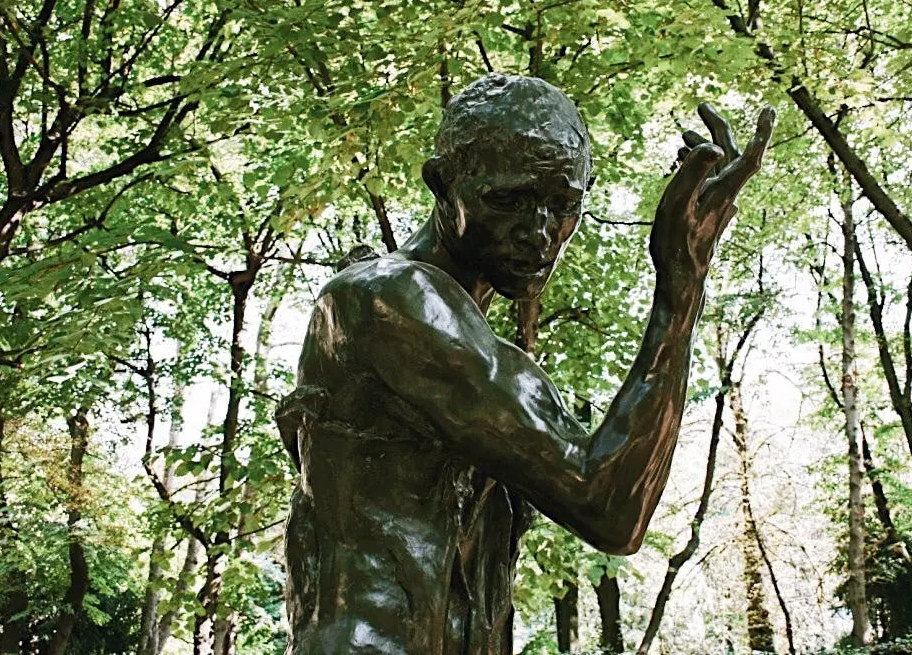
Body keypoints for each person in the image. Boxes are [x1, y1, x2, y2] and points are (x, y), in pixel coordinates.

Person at [277, 73, 772, 653]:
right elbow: (610, 507)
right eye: (507, 200)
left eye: (563, 205)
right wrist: (680, 284)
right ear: (442, 184)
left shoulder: (453, 325)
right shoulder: (391, 299)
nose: (539, 234)